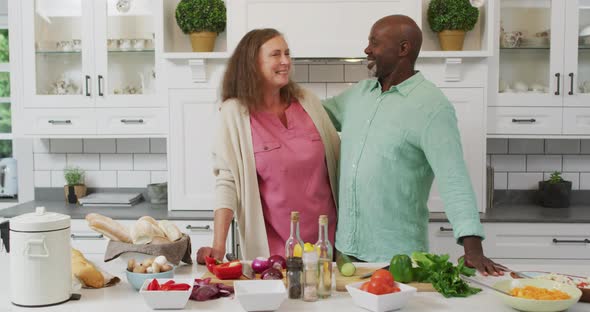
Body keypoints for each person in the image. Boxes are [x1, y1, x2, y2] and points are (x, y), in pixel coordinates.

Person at [323, 15, 506, 275]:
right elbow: (314, 117)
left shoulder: (432, 107)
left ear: (403, 49)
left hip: (397, 259)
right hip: (345, 253)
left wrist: (473, 250)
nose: (367, 49)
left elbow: (454, 178)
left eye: (374, 42)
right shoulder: (359, 94)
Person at [196, 29, 340, 263]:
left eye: (287, 53)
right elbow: (227, 180)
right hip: (274, 251)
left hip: (326, 243)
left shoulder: (307, 101)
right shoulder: (235, 113)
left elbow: (338, 161)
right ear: (252, 64)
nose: (285, 61)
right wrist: (218, 245)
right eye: (275, 54)